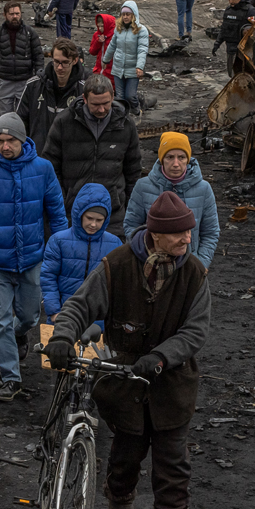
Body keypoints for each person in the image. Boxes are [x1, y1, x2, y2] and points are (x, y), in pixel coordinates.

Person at [46, 191, 211, 509]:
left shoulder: (194, 274)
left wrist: (161, 357)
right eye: (180, 233)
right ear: (155, 234)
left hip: (173, 384)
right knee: (126, 451)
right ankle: (119, 498)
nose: (188, 238)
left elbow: (196, 331)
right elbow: (79, 305)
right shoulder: (117, 265)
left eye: (189, 231)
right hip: (124, 381)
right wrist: (61, 336)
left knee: (173, 462)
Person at [0, 113, 69, 402]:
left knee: (29, 316)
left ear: (23, 140)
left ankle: (18, 334)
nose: (5, 146)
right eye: (0, 140)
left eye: (11, 140)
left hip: (33, 257)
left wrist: (61, 251)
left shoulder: (43, 170)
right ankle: (11, 378)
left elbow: (57, 214)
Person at [41, 74, 143, 218]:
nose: (101, 109)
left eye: (106, 103)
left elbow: (133, 170)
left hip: (113, 213)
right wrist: (63, 200)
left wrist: (129, 208)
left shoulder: (126, 125)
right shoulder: (64, 122)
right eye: (95, 104)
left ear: (113, 97)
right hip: (72, 211)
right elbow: (50, 165)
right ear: (84, 99)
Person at [125, 132, 219, 269]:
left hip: (189, 266)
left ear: (188, 159)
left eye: (181, 157)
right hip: (150, 265)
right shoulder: (143, 186)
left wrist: (199, 264)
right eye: (170, 157)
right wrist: (144, 257)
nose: (176, 164)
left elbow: (210, 232)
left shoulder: (203, 189)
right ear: (162, 159)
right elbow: (131, 226)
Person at [42, 182, 123, 325]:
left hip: (99, 322)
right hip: (63, 316)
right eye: (89, 218)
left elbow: (119, 284)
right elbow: (48, 277)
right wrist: (54, 311)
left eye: (99, 220)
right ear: (79, 214)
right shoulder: (58, 241)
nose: (93, 224)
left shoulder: (115, 244)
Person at [19, 38, 89, 146]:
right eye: (56, 62)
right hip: (38, 155)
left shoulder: (84, 90)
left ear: (75, 61)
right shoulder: (33, 86)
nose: (60, 67)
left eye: (65, 62)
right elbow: (20, 122)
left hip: (69, 157)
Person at [0, 2, 44, 112]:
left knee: (23, 117)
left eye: (17, 13)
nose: (15, 16)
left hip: (25, 81)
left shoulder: (30, 33)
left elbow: (38, 56)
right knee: (5, 117)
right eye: (11, 14)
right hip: (5, 82)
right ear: (5, 15)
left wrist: (38, 76)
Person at [102, 1, 150, 114]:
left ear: (133, 15)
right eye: (123, 14)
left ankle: (137, 112)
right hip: (118, 68)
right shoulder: (119, 29)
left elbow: (142, 50)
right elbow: (112, 45)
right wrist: (106, 59)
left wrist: (139, 67)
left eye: (128, 14)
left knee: (130, 95)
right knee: (120, 97)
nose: (125, 17)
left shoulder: (141, 31)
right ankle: (122, 118)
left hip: (132, 69)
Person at [213, 0, 255, 73]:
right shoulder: (228, 10)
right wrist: (217, 43)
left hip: (244, 51)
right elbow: (224, 28)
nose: (231, 2)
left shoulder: (250, 11)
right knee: (231, 74)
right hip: (230, 49)